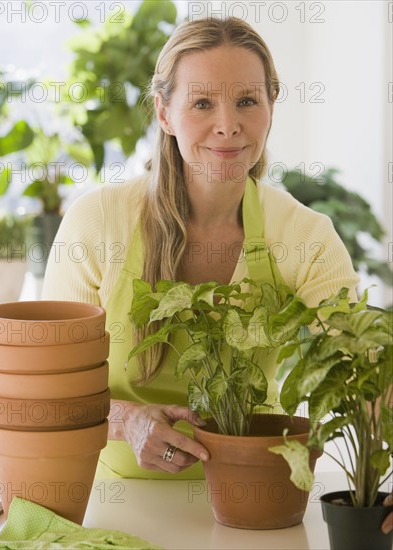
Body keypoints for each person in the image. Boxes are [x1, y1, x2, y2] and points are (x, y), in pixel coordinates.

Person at [43, 17, 362, 482]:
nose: (227, 126)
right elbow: (49, 388)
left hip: (256, 493)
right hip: (117, 497)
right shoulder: (97, 222)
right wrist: (127, 419)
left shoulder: (305, 235)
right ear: (164, 113)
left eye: (247, 101)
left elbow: (361, 367)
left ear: (272, 106)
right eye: (202, 103)